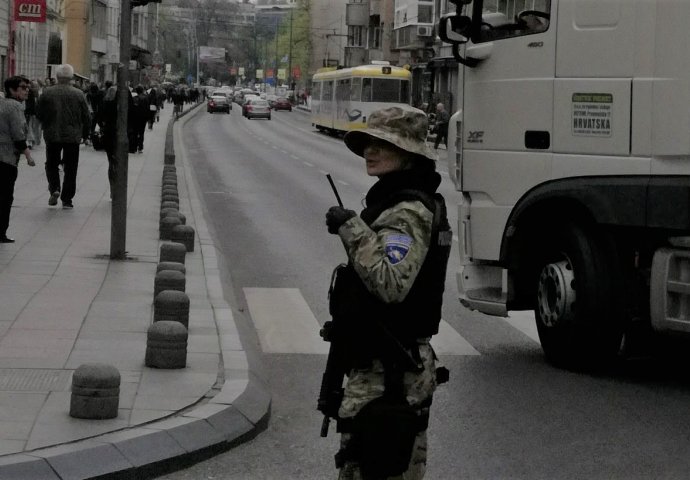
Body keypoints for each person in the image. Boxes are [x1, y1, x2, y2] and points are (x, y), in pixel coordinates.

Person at [324, 106, 452, 480]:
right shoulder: (399, 201)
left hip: (390, 372)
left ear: (408, 152)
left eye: (383, 143)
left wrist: (351, 227)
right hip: (388, 365)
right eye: (368, 143)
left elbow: (390, 283)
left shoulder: (408, 211)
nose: (370, 151)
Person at [37, 64, 91, 209]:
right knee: (71, 167)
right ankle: (67, 199)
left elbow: (39, 113)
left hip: (52, 134)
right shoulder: (79, 94)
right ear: (71, 78)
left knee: (51, 164)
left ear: (57, 77)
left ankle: (55, 188)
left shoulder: (47, 93)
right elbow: (86, 116)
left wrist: (46, 123)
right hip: (72, 136)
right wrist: (86, 135)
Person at [0, 76, 36, 243]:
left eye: (27, 87)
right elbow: (18, 135)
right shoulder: (15, 107)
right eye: (22, 87)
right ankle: (1, 232)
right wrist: (28, 156)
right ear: (12, 90)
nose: (26, 90)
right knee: (5, 196)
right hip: (6, 158)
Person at [24, 81, 41, 148]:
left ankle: (30, 142)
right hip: (31, 112)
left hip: (29, 112)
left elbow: (32, 103)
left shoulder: (31, 92)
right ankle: (31, 141)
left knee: (30, 127)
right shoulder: (32, 92)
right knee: (31, 127)